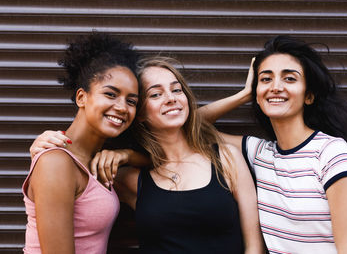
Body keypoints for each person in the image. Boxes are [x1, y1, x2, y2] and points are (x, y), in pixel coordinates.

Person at [29, 56, 265, 253]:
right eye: (155, 94)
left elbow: (254, 247)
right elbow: (71, 171)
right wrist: (44, 149)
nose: (171, 98)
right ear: (139, 114)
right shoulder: (125, 179)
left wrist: (244, 95)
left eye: (176, 89)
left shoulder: (226, 158)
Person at [199, 35, 347, 253]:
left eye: (289, 79)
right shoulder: (261, 154)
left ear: (308, 96)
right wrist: (244, 94)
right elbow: (192, 127)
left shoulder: (331, 152)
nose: (275, 87)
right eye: (265, 79)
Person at [22, 32, 142, 253]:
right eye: (111, 94)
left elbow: (173, 147)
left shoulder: (95, 159)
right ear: (81, 98)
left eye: (131, 101)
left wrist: (127, 155)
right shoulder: (56, 162)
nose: (123, 107)